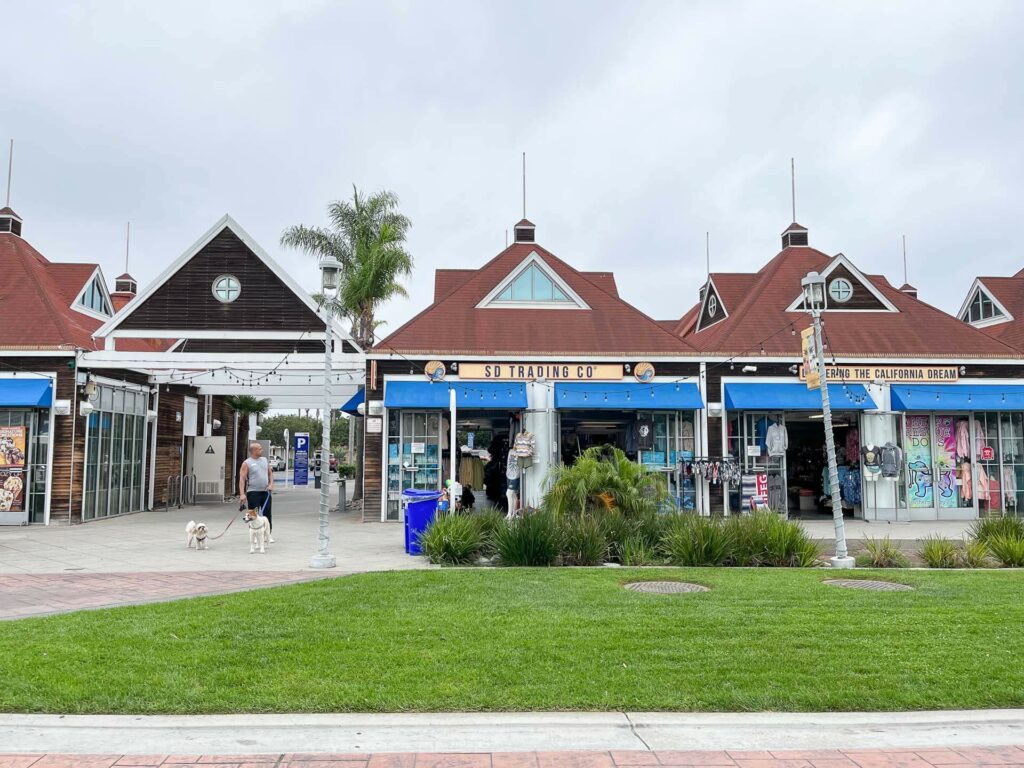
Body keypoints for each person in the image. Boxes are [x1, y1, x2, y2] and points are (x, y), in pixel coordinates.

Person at [240, 442, 274, 541]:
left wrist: (271, 484)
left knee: (267, 514)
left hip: (265, 492)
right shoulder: (247, 463)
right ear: (254, 451)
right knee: (253, 515)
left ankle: (268, 535)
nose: (261, 450)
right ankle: (254, 536)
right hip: (253, 492)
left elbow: (270, 474)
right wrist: (242, 494)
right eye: (259, 449)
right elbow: (242, 479)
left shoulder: (264, 460)